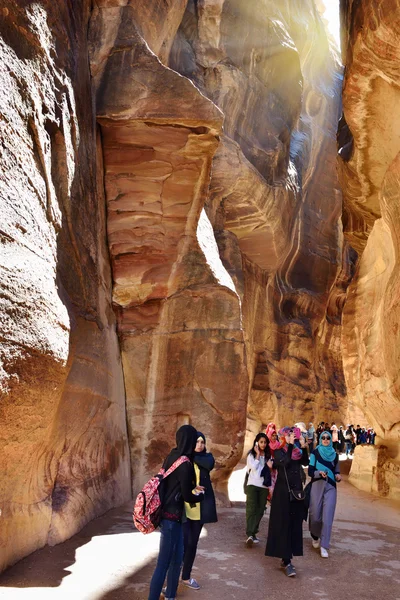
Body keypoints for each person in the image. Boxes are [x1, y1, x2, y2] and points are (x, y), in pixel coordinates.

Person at [148, 425, 204, 600]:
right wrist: (200, 495)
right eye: (194, 440)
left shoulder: (172, 456)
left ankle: (170, 595)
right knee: (164, 563)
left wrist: (191, 487)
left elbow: (175, 484)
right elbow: (187, 496)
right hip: (171, 519)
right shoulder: (185, 464)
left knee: (177, 559)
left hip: (174, 518)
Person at [265, 427, 309, 577]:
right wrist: (290, 446)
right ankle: (287, 560)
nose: (291, 438)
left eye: (293, 436)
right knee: (284, 524)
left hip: (296, 493)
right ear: (283, 437)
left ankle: (287, 558)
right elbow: (284, 462)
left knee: (294, 525)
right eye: (288, 436)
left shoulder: (297, 451)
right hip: (283, 494)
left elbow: (305, 461)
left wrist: (303, 446)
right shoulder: (278, 451)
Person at [181, 432, 217, 590]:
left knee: (192, 544)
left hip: (199, 509)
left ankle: (186, 577)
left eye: (202, 442)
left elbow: (210, 463)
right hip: (183, 508)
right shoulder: (184, 459)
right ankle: (171, 580)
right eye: (196, 442)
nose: (200, 445)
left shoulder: (206, 459)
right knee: (181, 544)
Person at [308, 431, 341, 558]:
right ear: (320, 439)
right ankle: (315, 536)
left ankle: (324, 545)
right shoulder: (315, 453)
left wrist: (337, 476)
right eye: (324, 438)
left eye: (328, 438)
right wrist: (319, 472)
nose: (326, 440)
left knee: (328, 517)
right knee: (315, 515)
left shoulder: (335, 455)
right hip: (317, 485)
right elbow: (310, 471)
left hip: (331, 487)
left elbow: (337, 470)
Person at [245, 433, 272, 547]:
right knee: (251, 509)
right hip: (252, 485)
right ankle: (250, 534)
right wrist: (257, 455)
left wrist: (270, 467)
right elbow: (253, 468)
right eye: (261, 442)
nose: (263, 444)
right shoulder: (251, 455)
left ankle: (253, 532)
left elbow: (269, 471)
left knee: (260, 510)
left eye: (265, 442)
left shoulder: (268, 456)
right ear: (256, 442)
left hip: (263, 486)